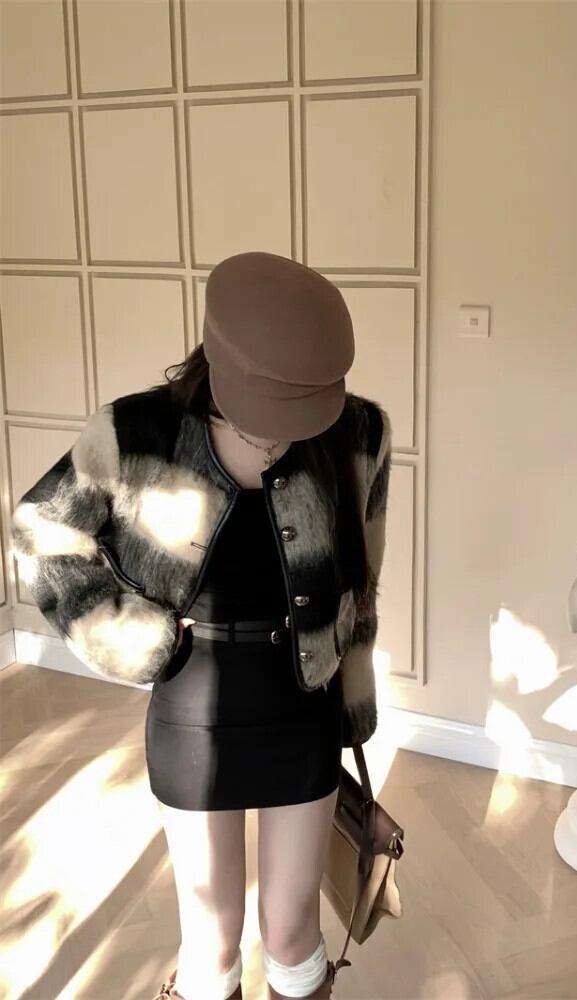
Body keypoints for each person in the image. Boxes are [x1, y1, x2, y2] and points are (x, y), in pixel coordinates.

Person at [9, 251, 392, 1000]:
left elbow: (361, 592)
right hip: (192, 708)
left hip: (303, 706)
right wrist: (124, 635)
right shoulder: (136, 431)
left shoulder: (358, 432)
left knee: (293, 933)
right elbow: (41, 530)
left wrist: (353, 710)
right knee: (211, 941)